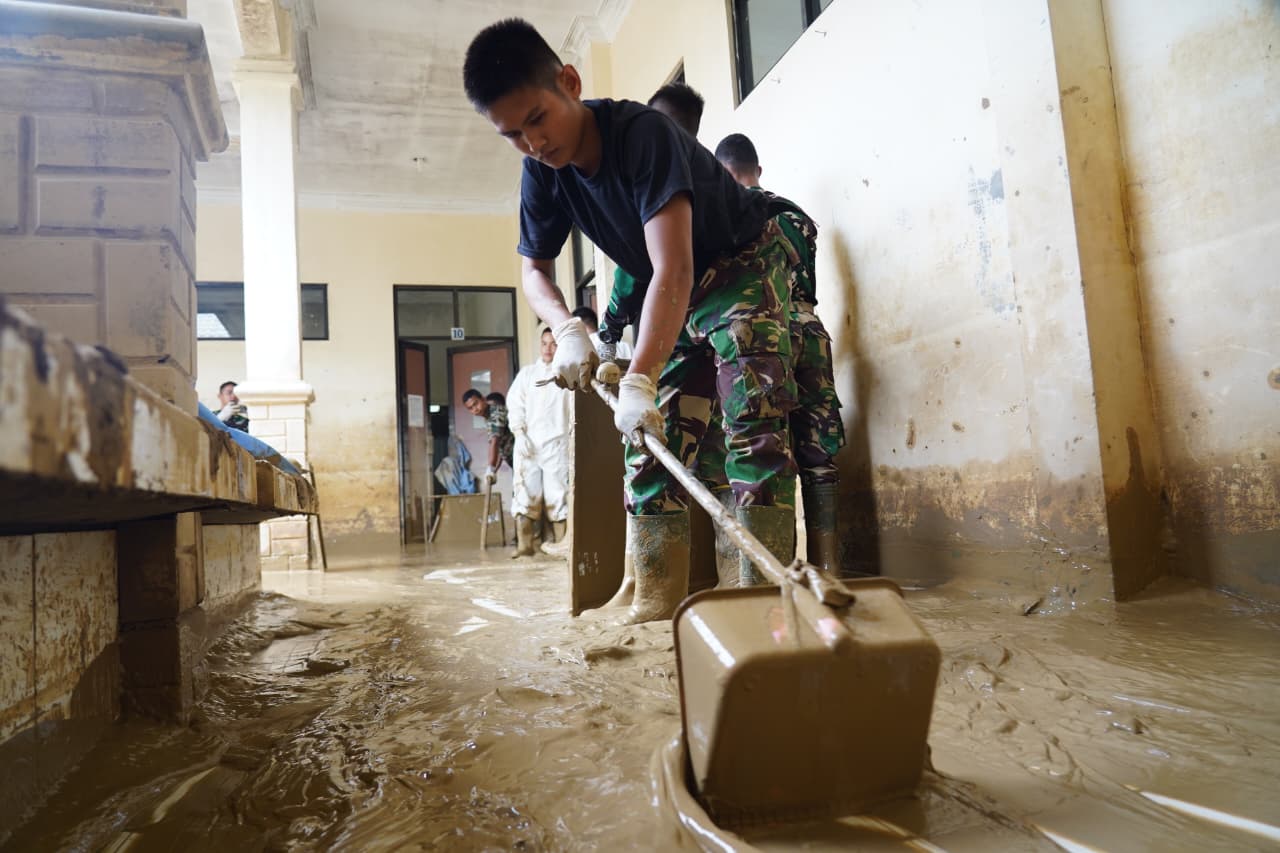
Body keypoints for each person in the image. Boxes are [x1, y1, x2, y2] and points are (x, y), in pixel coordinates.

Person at [463, 21, 799, 622]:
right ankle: (654, 597)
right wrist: (568, 328)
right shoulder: (541, 172)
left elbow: (674, 267)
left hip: (737, 259)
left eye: (538, 118)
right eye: (512, 134)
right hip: (671, 284)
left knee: (751, 411)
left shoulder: (644, 135)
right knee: (647, 440)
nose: (533, 143)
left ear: (569, 83)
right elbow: (534, 271)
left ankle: (759, 601)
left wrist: (640, 376)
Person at [715, 132, 846, 572]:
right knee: (817, 450)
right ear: (759, 169)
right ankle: (829, 571)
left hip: (762, 336)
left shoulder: (731, 215)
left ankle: (773, 577)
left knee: (763, 446)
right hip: (810, 332)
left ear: (720, 173)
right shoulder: (797, 216)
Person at [506, 327, 572, 558]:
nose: (548, 348)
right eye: (544, 343)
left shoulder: (566, 376)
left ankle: (561, 543)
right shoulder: (527, 375)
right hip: (529, 443)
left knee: (558, 494)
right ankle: (525, 546)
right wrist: (519, 433)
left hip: (557, 444)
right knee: (525, 492)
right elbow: (515, 405)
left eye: (553, 344)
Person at [462, 388, 515, 486]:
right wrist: (493, 471)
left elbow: (495, 442)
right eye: (470, 408)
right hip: (515, 461)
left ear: (483, 399)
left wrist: (490, 467)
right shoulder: (488, 417)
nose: (475, 409)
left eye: (476, 403)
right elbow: (500, 450)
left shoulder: (496, 412)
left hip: (524, 458)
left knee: (523, 495)